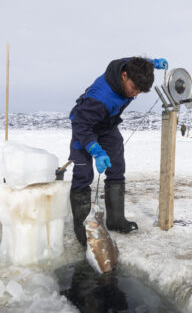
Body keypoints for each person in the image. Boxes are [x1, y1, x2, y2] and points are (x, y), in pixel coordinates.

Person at [69, 56, 168, 246]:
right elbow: (80, 125)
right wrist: (95, 149)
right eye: (133, 88)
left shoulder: (129, 68)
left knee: (117, 166)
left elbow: (135, 60)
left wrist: (152, 63)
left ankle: (116, 220)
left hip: (107, 125)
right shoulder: (100, 98)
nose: (134, 94)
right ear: (124, 76)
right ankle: (83, 230)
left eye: (140, 91)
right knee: (83, 174)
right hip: (84, 125)